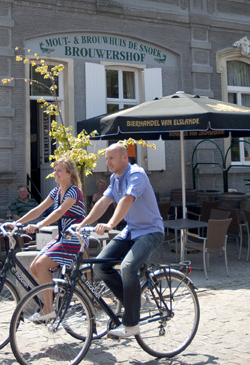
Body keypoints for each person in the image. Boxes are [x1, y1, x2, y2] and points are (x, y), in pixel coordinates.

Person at [80, 142, 165, 339]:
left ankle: (132, 323)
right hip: (131, 230)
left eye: (111, 158)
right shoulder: (114, 178)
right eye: (106, 158)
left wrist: (110, 224)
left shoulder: (137, 174)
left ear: (124, 158)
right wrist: (83, 223)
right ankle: (133, 301)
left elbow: (127, 199)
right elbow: (103, 202)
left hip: (150, 231)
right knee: (100, 266)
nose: (107, 162)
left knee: (128, 267)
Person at [12, 157, 87, 321]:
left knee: (40, 265)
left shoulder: (74, 191)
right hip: (62, 237)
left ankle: (48, 309)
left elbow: (59, 212)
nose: (55, 173)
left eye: (59, 170)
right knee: (34, 268)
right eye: (54, 170)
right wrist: (16, 223)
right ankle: (54, 295)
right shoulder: (56, 191)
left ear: (68, 174)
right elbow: (38, 209)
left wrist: (39, 226)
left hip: (74, 239)